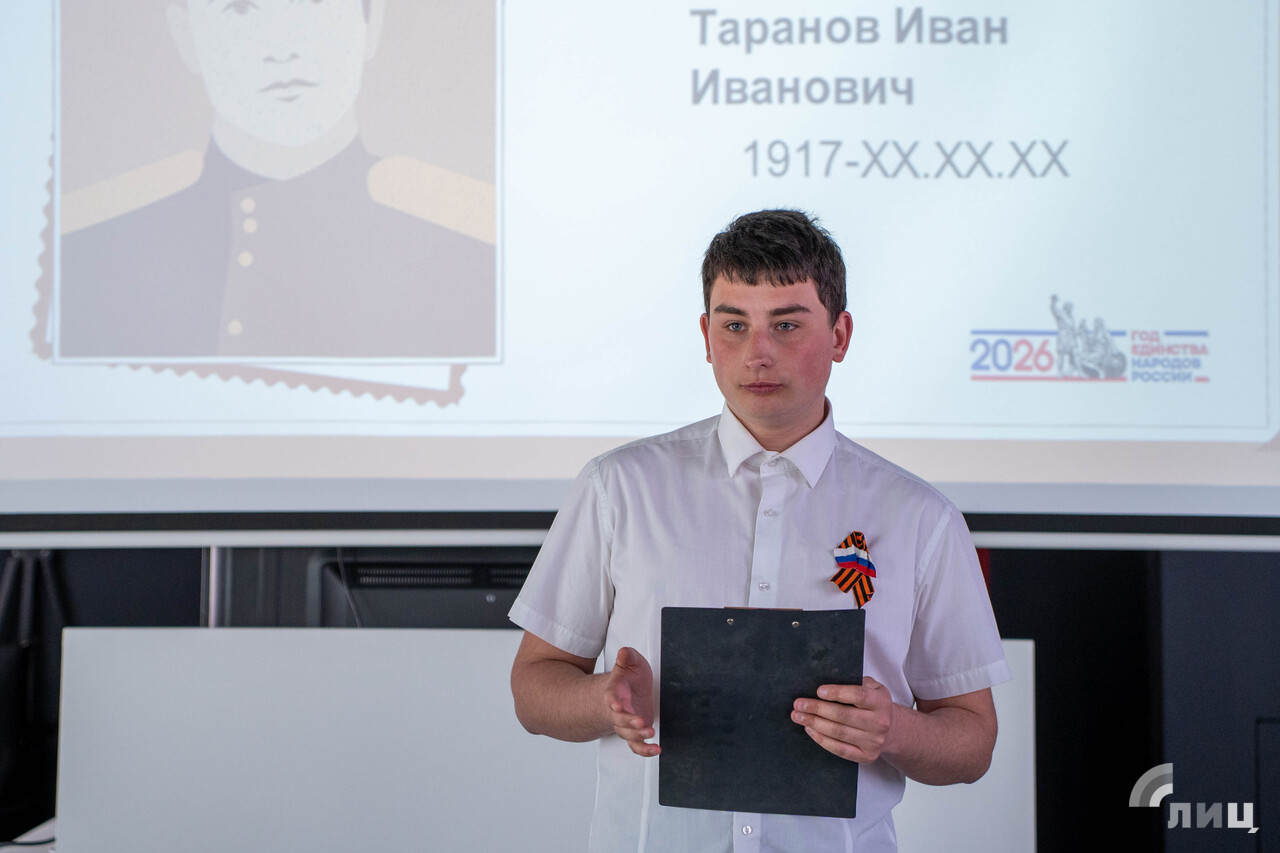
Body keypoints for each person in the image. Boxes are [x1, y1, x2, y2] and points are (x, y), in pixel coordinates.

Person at [509, 209, 1011, 851]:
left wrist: (894, 729)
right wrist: (604, 700)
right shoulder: (619, 487)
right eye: (734, 325)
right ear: (706, 334)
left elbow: (973, 742)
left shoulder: (919, 516)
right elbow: (534, 688)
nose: (757, 353)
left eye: (787, 324)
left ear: (840, 334)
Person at [56, 0, 494, 360]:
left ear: (372, 21)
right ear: (186, 36)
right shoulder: (90, 257)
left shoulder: (474, 249)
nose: (282, 49)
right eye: (241, 9)